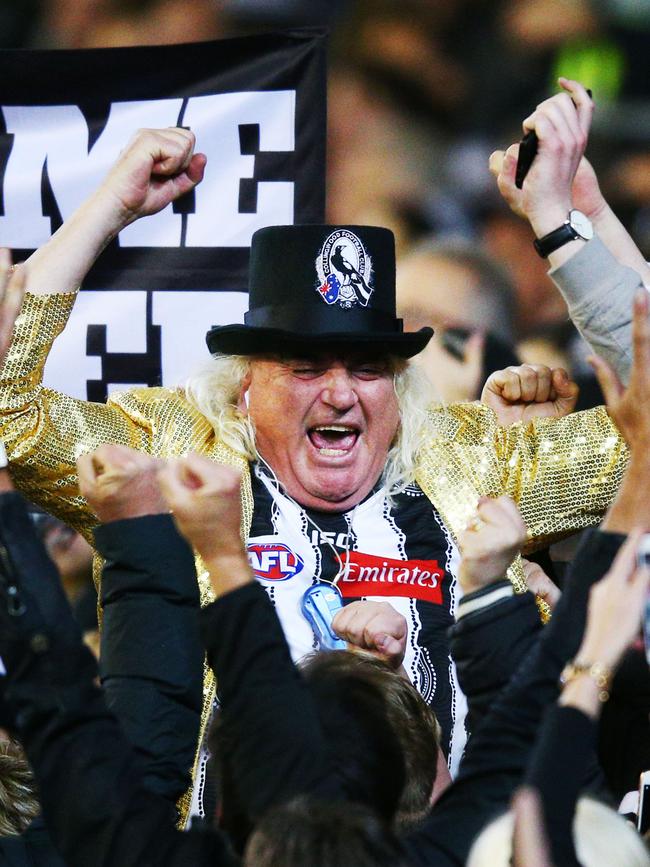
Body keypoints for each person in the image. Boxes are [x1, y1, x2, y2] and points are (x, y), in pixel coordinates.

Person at [0, 89, 633, 804]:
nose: (340, 393)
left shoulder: (471, 459)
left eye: (368, 368)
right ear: (246, 384)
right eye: (307, 368)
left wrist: (562, 219)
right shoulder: (178, 454)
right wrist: (107, 209)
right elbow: (8, 416)